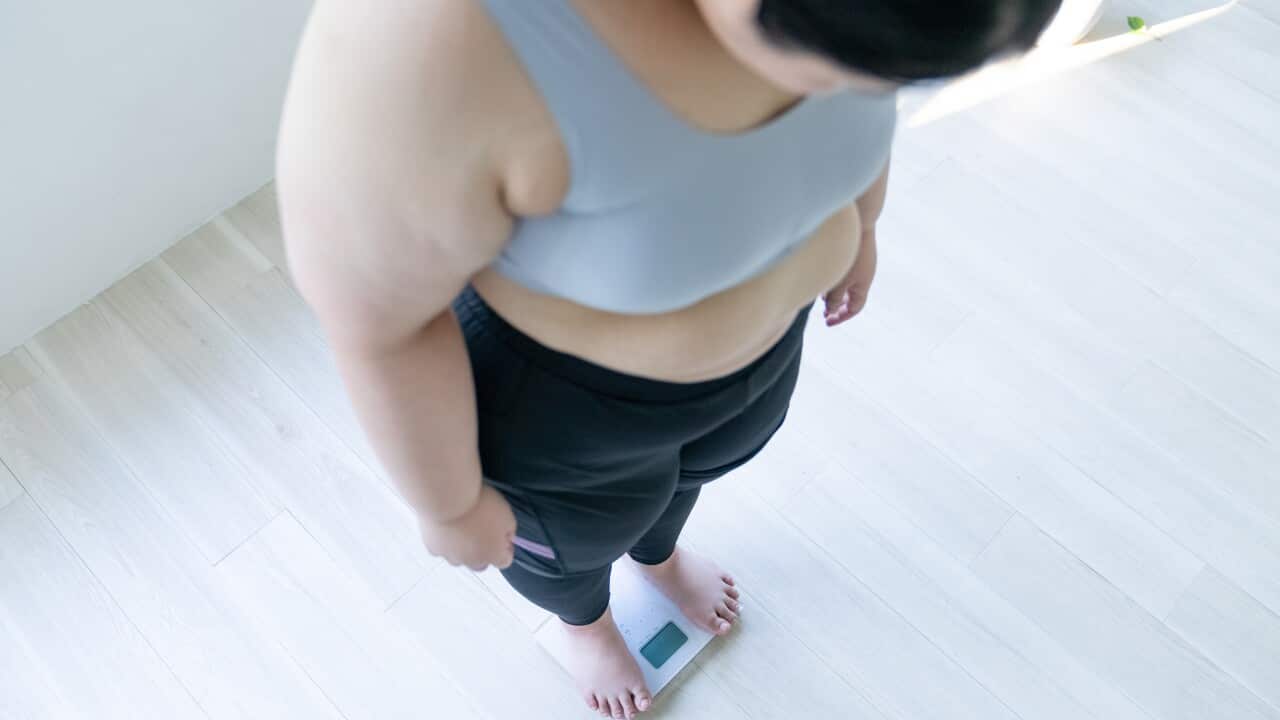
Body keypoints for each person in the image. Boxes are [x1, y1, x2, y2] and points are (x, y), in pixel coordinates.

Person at [276, 1, 1062, 717]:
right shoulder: (434, 41)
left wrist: (860, 221)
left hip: (754, 366)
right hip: (561, 420)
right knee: (572, 548)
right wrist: (447, 506)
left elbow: (855, 117)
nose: (848, 93)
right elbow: (381, 324)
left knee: (684, 484)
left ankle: (659, 555)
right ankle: (585, 621)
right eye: (833, 67)